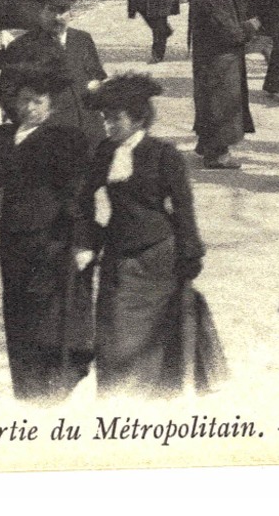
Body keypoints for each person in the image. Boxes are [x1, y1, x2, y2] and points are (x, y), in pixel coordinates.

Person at [88, 72, 224, 396]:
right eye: (105, 119)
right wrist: (91, 236)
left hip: (161, 257)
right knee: (114, 335)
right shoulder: (105, 153)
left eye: (115, 119)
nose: (108, 126)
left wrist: (190, 252)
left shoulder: (164, 155)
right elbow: (80, 199)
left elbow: (183, 207)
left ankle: (158, 400)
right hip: (119, 258)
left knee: (161, 338)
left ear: (137, 119)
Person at [0, 35, 97, 401]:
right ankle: (27, 390)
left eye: (38, 101)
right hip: (14, 240)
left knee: (53, 318)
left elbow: (80, 196)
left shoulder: (67, 139)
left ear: (51, 103)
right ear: (13, 101)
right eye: (24, 100)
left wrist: (82, 242)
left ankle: (56, 386)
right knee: (18, 314)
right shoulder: (3, 137)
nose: (31, 108)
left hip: (53, 240)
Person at [189, 0, 258, 169]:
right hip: (218, 59)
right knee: (221, 106)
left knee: (213, 104)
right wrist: (250, 28)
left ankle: (206, 144)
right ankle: (217, 154)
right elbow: (226, 29)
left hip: (218, 58)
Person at [37, 0, 107, 141]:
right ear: (42, 10)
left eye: (62, 11)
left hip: (90, 131)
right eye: (51, 10)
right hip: (54, 136)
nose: (57, 17)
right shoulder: (28, 46)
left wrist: (96, 88)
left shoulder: (83, 39)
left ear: (70, 12)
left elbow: (97, 76)